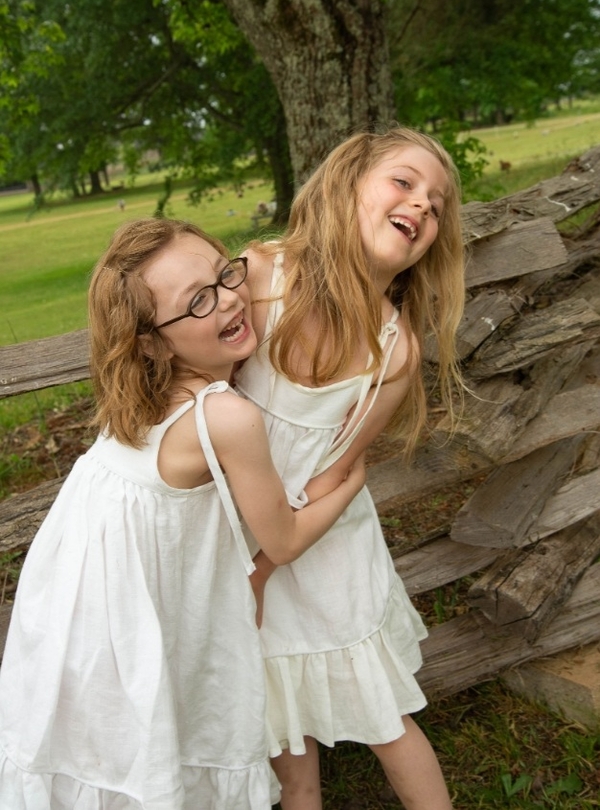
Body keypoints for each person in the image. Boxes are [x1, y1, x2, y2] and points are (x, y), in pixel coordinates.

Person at [0, 218, 366, 810]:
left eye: (224, 275)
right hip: (126, 615)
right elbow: (286, 537)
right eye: (197, 301)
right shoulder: (226, 418)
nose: (227, 300)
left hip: (76, 611)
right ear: (150, 341)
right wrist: (349, 483)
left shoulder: (141, 396)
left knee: (102, 754)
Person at [234, 126, 465, 810]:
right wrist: (243, 567)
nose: (423, 205)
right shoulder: (263, 278)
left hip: (323, 538)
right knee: (281, 716)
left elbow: (338, 468)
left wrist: (263, 571)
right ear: (347, 185)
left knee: (385, 714)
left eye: (439, 203)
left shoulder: (393, 349)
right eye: (405, 182)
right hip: (236, 531)